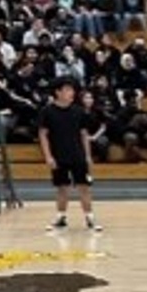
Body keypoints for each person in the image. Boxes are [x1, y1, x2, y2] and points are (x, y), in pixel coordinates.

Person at [39, 77, 98, 232]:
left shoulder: (78, 111)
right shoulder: (47, 111)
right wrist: (48, 156)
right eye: (67, 90)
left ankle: (90, 218)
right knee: (62, 188)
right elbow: (43, 135)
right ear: (58, 92)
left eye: (72, 90)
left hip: (77, 154)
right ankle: (61, 218)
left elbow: (84, 134)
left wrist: (87, 155)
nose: (71, 93)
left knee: (84, 187)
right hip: (59, 155)